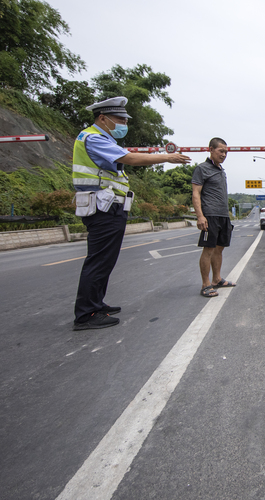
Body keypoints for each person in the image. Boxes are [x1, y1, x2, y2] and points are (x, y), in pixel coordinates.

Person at [73, 97, 191, 330]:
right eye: (119, 119)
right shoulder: (93, 137)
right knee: (98, 261)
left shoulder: (102, 138)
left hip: (108, 207)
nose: (123, 124)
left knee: (105, 260)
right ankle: (86, 314)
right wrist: (167, 157)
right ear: (102, 118)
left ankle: (96, 304)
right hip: (102, 208)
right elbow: (129, 158)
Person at [192, 138, 236, 297]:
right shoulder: (202, 169)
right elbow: (196, 193)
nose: (224, 154)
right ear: (211, 149)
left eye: (226, 152)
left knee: (220, 248)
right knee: (209, 249)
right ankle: (206, 284)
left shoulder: (221, 170)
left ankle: (217, 279)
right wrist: (200, 216)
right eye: (221, 151)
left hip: (223, 215)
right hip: (210, 215)